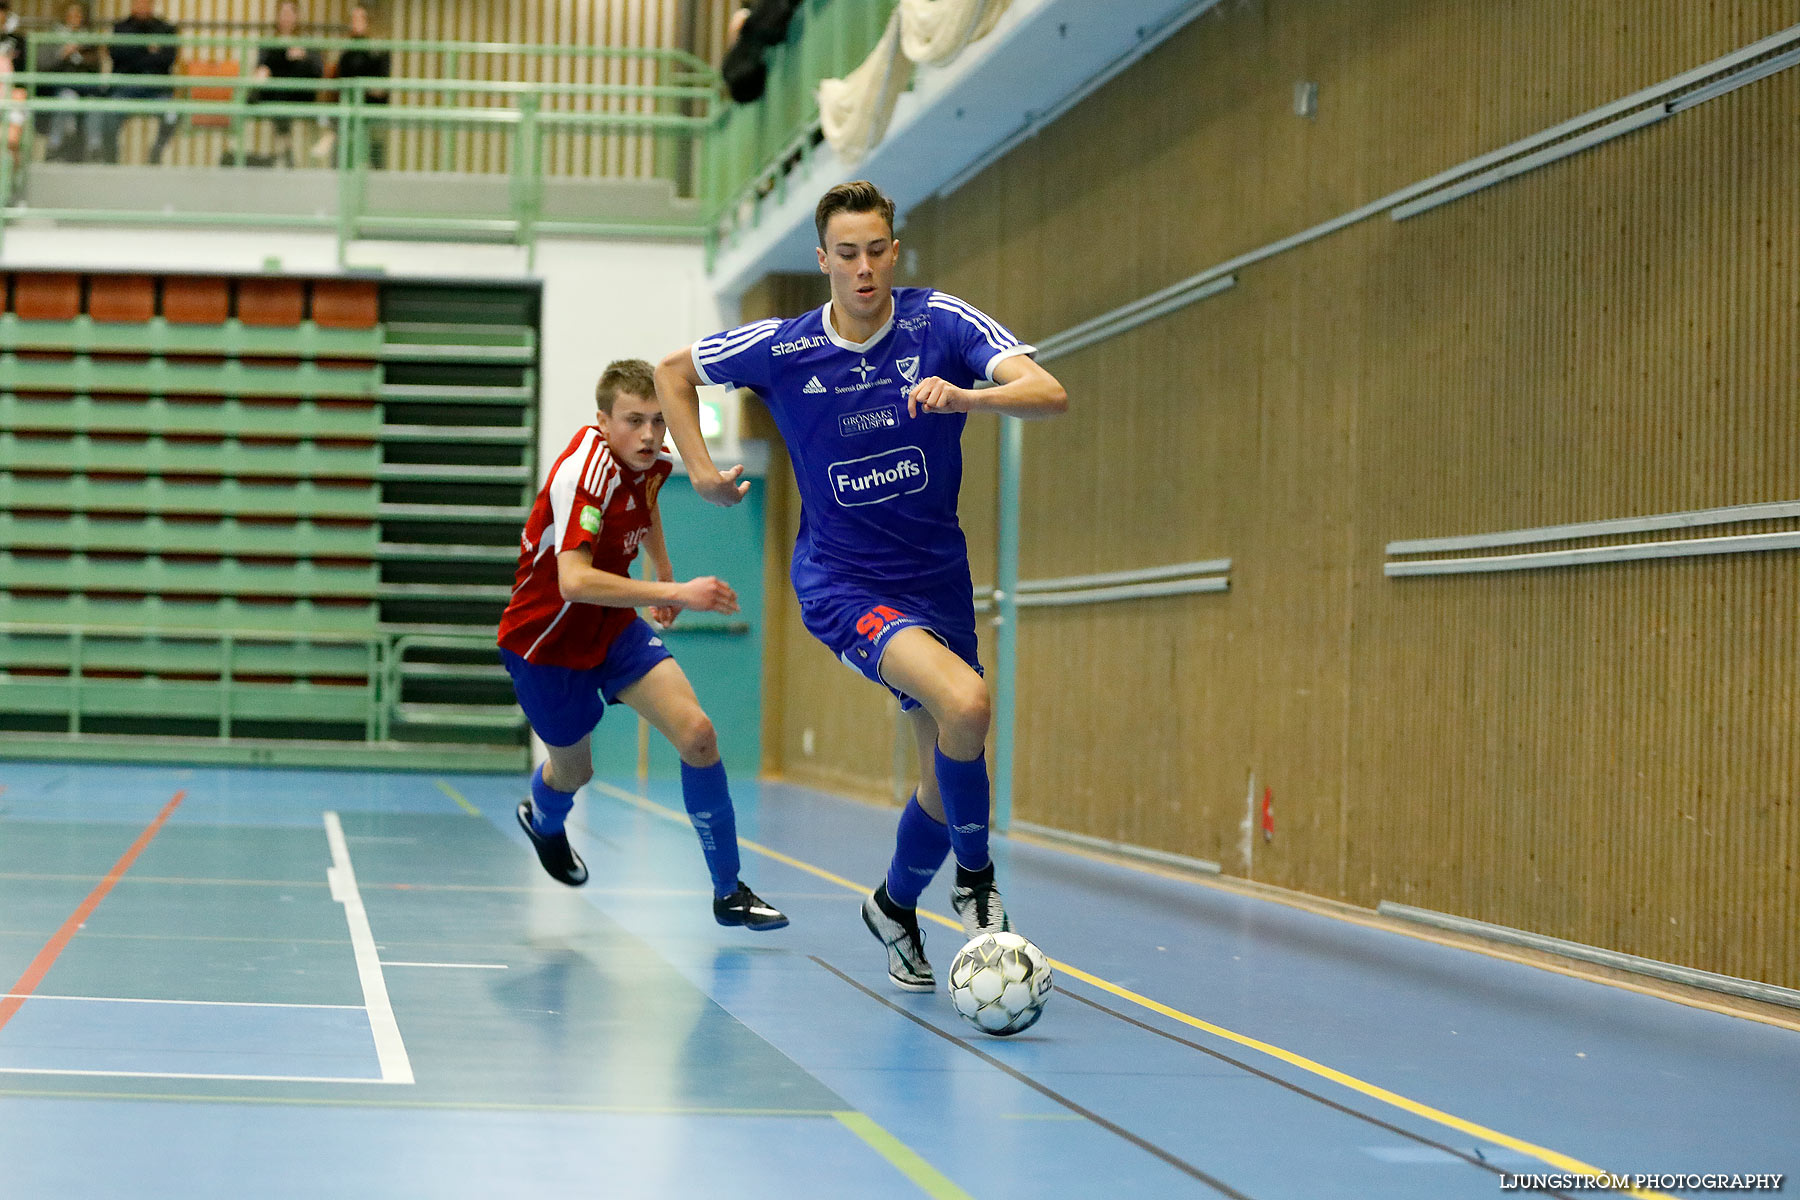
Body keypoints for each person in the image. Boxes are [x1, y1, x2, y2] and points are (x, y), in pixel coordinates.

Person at [654, 180, 1067, 990]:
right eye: (847, 254)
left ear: (893, 252)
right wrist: (697, 473)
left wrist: (970, 395)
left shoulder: (940, 322)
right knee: (970, 706)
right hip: (843, 585)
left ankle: (891, 905)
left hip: (937, 581)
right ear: (823, 261)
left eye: (877, 250)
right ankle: (978, 886)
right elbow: (672, 371)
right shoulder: (786, 346)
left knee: (944, 788)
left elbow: (1047, 392)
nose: (865, 267)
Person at [496, 358, 788, 932]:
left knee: (699, 735)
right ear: (603, 421)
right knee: (574, 773)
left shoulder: (649, 462)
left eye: (658, 420)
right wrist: (676, 588)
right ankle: (544, 819)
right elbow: (574, 581)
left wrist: (662, 565)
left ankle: (729, 892)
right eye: (635, 421)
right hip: (546, 646)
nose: (651, 435)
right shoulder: (586, 474)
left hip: (612, 630)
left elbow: (647, 501)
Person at [104, 0, 180, 165]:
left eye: (146, 3)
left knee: (172, 114)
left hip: (157, 89)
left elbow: (168, 59)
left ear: (152, 5)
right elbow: (117, 55)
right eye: (138, 3)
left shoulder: (166, 29)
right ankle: (110, 160)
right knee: (107, 112)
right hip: (126, 87)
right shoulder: (120, 28)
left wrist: (134, 52)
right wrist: (148, 51)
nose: (142, 6)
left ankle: (156, 153)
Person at [252, 0, 322, 166]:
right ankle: (286, 149)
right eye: (283, 13)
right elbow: (262, 68)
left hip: (299, 95)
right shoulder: (269, 43)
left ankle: (288, 150)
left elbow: (317, 70)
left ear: (297, 16)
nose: (286, 18)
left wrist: (302, 56)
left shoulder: (306, 43)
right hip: (275, 95)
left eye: (290, 13)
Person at [323, 3, 389, 167]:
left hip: (372, 112)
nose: (356, 23)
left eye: (360, 19)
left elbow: (380, 88)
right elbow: (340, 80)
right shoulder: (346, 52)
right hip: (348, 111)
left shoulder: (378, 51)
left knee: (374, 157)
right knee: (343, 156)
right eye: (354, 19)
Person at [40, 2, 103, 164]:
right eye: (72, 15)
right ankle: (54, 146)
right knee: (67, 100)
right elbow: (43, 65)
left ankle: (94, 149)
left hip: (86, 87)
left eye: (79, 15)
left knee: (94, 104)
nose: (76, 19)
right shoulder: (53, 37)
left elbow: (97, 65)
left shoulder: (90, 39)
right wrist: (63, 54)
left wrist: (81, 55)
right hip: (61, 85)